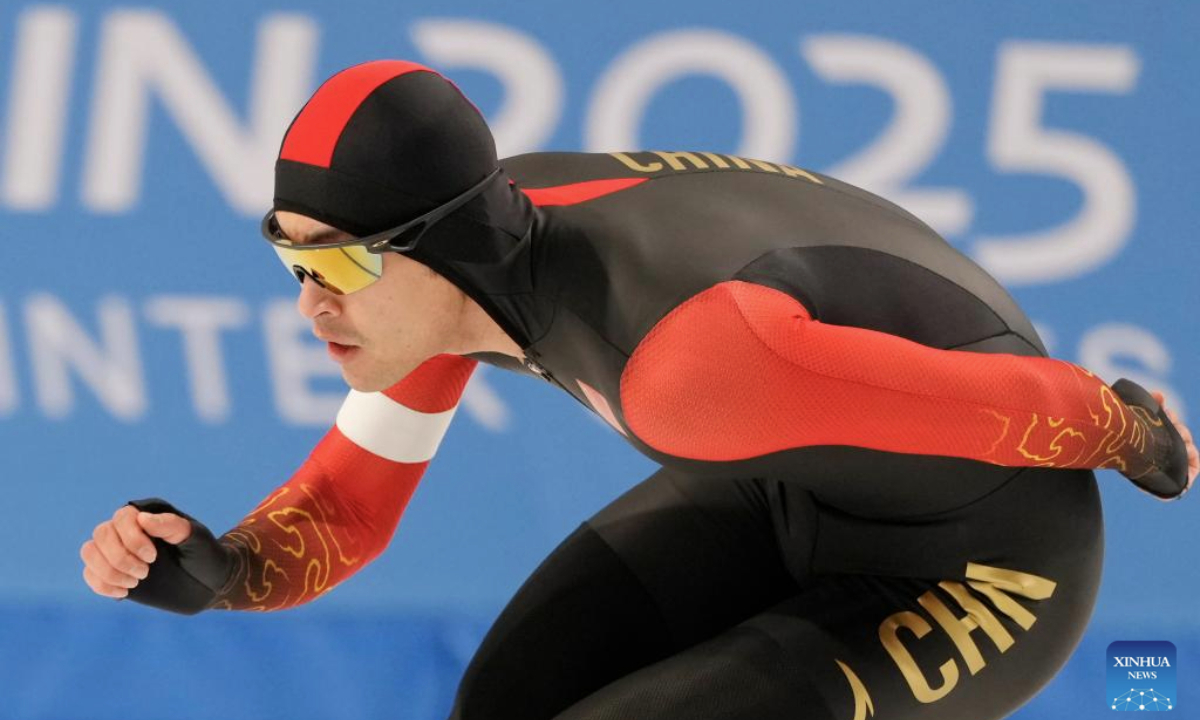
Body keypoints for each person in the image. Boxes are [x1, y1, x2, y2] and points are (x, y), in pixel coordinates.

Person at [80, 60, 1197, 720]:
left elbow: (1025, 402)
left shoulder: (688, 366)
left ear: (443, 243)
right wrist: (220, 570)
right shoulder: (455, 273)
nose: (311, 305)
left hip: (987, 565)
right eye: (295, 262)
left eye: (338, 266)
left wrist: (1139, 433)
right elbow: (341, 514)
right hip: (785, 485)